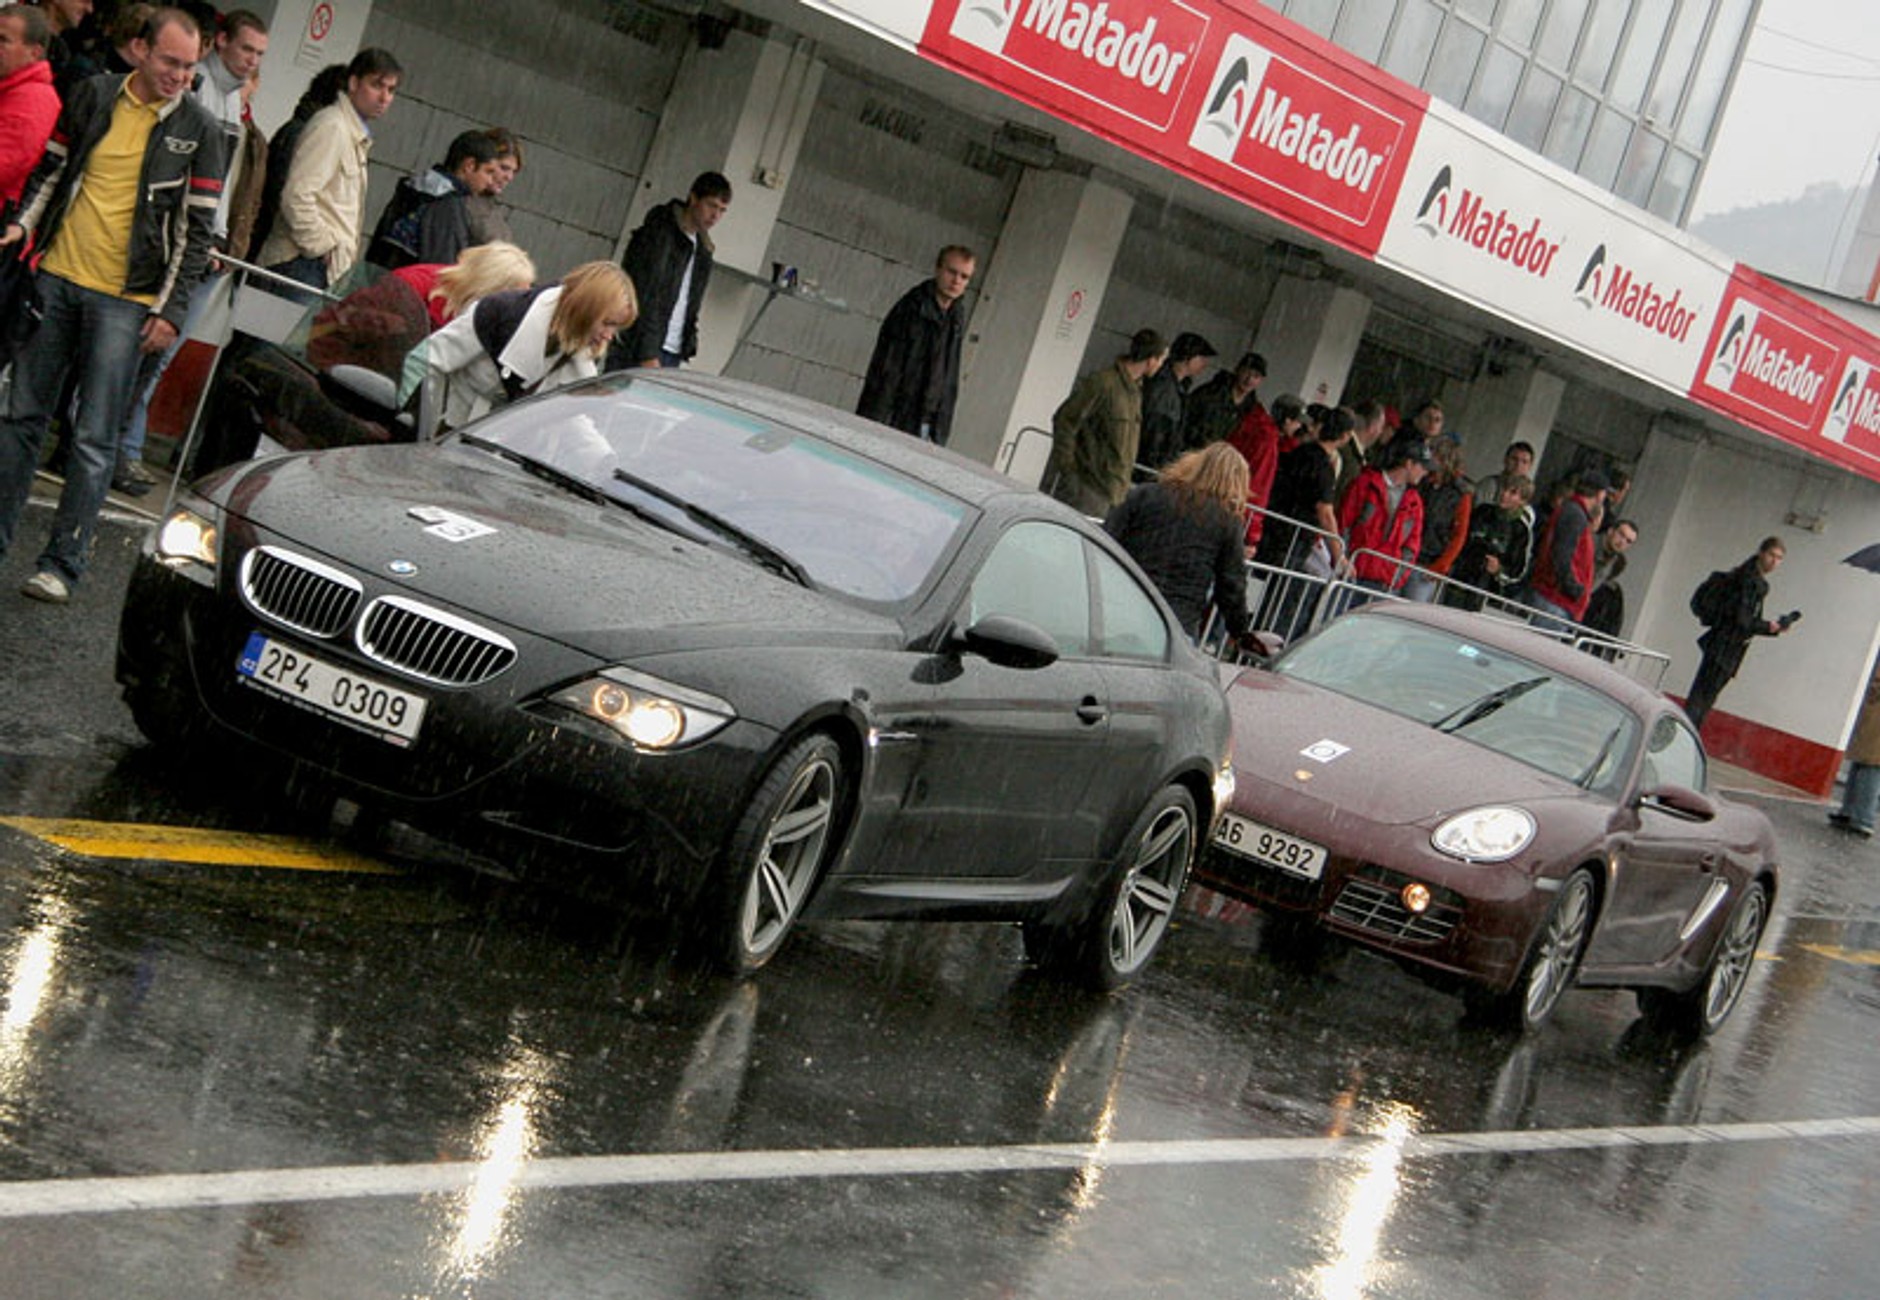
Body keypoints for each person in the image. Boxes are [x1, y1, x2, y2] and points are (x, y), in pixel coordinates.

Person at [0, 6, 225, 605]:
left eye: (190, 66)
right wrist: (24, 227)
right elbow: (52, 171)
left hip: (128, 302)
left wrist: (170, 310)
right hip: (56, 277)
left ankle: (63, 564)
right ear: (140, 50)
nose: (180, 75)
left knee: (95, 438)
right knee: (21, 419)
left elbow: (197, 233)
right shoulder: (94, 94)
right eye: (171, 62)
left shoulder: (202, 130)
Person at [114, 7, 269, 496]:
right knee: (141, 352)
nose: (252, 61)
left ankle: (120, 446)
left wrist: (220, 238)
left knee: (155, 357)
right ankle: (116, 446)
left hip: (207, 245)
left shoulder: (233, 101)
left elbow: (222, 185)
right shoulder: (198, 88)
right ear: (219, 41)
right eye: (246, 49)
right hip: (180, 242)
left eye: (260, 54)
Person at [418, 260, 636, 434]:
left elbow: (571, 418)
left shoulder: (580, 351)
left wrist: (605, 461)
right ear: (584, 310)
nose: (609, 336)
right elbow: (426, 360)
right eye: (607, 323)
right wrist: (420, 428)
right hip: (446, 434)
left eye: (616, 327)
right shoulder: (499, 312)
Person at [257, 46, 401, 293]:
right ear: (353, 83)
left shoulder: (351, 133)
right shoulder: (333, 125)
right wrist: (322, 247)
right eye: (377, 85)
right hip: (299, 263)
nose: (384, 97)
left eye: (391, 90)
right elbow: (296, 195)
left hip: (316, 268)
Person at [1105, 440, 1256, 647]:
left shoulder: (1146, 494)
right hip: (1176, 622)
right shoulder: (1226, 521)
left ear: (1195, 465)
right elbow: (1231, 584)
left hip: (1123, 605)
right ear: (1237, 484)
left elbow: (1108, 539)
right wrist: (1239, 631)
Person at [605, 170, 729, 370]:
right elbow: (644, 294)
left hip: (673, 348)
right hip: (638, 347)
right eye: (711, 205)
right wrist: (647, 353)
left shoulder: (703, 249)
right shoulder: (660, 232)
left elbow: (691, 302)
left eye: (722, 210)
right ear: (693, 198)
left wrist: (688, 342)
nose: (715, 216)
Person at [855, 244, 976, 445]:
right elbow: (887, 370)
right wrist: (877, 421)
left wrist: (940, 430)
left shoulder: (956, 315)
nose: (956, 281)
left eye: (964, 277)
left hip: (927, 421)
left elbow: (949, 375)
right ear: (938, 269)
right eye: (952, 272)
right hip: (895, 417)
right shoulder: (912, 308)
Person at [1255, 405, 1352, 641]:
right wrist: (1339, 555)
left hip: (1274, 530)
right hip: (1294, 541)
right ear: (1344, 436)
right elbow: (1325, 512)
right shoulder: (1323, 468)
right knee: (1283, 602)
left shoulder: (1299, 452)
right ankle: (1268, 645)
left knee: (1266, 595)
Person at [1046, 328, 1166, 517]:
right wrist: (1069, 471)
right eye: (1160, 360)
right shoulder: (1103, 383)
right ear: (1151, 360)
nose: (1160, 366)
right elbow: (1065, 420)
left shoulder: (1135, 391)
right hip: (1088, 485)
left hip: (1111, 491)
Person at [1684, 536, 1797, 730]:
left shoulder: (1749, 578)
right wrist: (1768, 627)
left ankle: (1687, 731)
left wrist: (1770, 628)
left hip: (1724, 644)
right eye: (1771, 555)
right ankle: (1686, 733)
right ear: (1761, 553)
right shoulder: (1748, 581)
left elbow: (1747, 619)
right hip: (1726, 645)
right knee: (1703, 698)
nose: (1774, 561)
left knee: (1703, 696)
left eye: (1779, 558)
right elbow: (1743, 620)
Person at [246, 61, 345, 260]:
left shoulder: (306, 129)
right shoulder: (306, 133)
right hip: (278, 247)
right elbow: (283, 196)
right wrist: (320, 244)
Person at [365, 127, 500, 271]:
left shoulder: (412, 188)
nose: (490, 181)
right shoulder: (449, 206)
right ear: (469, 166)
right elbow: (441, 266)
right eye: (488, 172)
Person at [1338, 434, 1430, 600]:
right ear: (1409, 464)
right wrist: (1342, 560)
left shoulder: (1415, 502)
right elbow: (1344, 523)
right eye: (1422, 466)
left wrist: (1396, 578)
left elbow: (1411, 546)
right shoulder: (1365, 483)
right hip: (1350, 573)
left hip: (1382, 583)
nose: (1425, 472)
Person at [1526, 466, 1608, 631]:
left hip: (1555, 598)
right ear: (1600, 494)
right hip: (1555, 599)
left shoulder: (1573, 512)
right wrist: (1574, 589)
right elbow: (1562, 556)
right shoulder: (1575, 515)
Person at [1445, 473, 1534, 611]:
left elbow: (1518, 571)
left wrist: (1499, 570)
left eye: (1513, 493)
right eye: (1504, 488)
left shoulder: (1521, 530)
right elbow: (1460, 538)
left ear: (1523, 501)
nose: (1504, 494)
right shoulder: (1482, 511)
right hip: (1459, 579)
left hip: (1486, 592)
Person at [0, 3, 58, 209]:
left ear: (34, 52)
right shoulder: (11, 88)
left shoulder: (34, 100)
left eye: (3, 40)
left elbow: (5, 165)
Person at [1402, 434, 1471, 602]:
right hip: (1406, 555)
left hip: (1428, 564)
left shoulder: (1460, 494)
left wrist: (1440, 566)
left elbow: (1459, 536)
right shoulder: (1422, 482)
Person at [1137, 330, 1215, 470]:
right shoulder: (1164, 387)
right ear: (1188, 358)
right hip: (1148, 466)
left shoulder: (1177, 386)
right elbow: (1155, 434)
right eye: (1201, 359)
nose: (1205, 364)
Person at [1829, 661, 1880, 839]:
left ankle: (1862, 818)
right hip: (1873, 713)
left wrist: (1873, 687)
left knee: (1870, 766)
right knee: (1861, 762)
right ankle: (1849, 812)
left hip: (1876, 713)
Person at [1181, 350, 1263, 453]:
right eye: (1246, 372)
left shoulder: (1251, 411)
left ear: (1260, 381)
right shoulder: (1210, 393)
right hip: (1190, 452)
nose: (1249, 379)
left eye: (1256, 376)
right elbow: (1185, 418)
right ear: (1237, 370)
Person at [1581, 518, 1638, 640]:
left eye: (1628, 541)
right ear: (1610, 531)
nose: (1622, 542)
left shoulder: (1614, 562)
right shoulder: (1589, 542)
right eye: (1621, 535)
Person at [464, 126, 520, 247]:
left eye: (514, 171)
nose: (509, 177)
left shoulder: (493, 209)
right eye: (504, 168)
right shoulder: (456, 203)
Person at [1472, 440, 1535, 520]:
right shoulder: (1489, 485)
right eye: (1514, 459)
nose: (1518, 465)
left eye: (1524, 462)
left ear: (1530, 466)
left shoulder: (1527, 503)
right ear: (1505, 460)